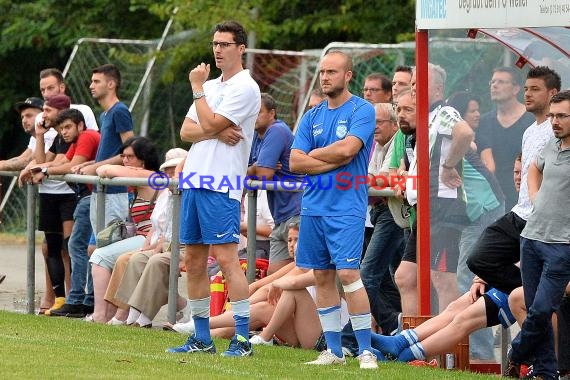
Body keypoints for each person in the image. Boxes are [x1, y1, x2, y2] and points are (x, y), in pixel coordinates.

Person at [167, 21, 261, 357]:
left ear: (241, 48)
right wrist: (215, 129)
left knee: (226, 259)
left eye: (224, 44)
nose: (217, 50)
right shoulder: (211, 87)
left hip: (222, 183)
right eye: (215, 44)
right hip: (194, 179)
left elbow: (204, 123)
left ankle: (242, 338)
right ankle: (202, 338)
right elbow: (186, 131)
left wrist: (197, 90)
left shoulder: (245, 87)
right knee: (193, 261)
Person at [290, 50, 377, 369]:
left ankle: (366, 350)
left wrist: (313, 158)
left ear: (348, 75)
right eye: (322, 72)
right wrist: (327, 160)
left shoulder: (362, 110)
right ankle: (334, 351)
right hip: (313, 207)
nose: (325, 77)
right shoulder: (312, 115)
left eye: (332, 72)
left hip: (346, 207)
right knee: (322, 276)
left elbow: (348, 149)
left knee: (349, 274)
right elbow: (294, 161)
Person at [467, 66, 561, 298]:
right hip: (521, 213)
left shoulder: (557, 129)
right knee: (479, 259)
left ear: (552, 93)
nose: (528, 94)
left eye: (535, 89)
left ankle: (545, 299)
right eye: (527, 89)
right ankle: (542, 295)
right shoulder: (530, 130)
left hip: (544, 218)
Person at [509, 90, 570, 380]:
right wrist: (535, 197)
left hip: (562, 245)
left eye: (562, 116)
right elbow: (534, 168)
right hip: (531, 240)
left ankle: (516, 352)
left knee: (542, 310)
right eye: (553, 116)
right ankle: (546, 373)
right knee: (536, 309)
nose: (554, 122)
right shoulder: (551, 144)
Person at [446, 91, 505, 361]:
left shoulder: (462, 141)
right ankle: (475, 345)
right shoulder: (456, 140)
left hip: (484, 211)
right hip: (479, 211)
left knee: (468, 278)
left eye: (478, 110)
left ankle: (480, 353)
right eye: (472, 110)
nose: (478, 114)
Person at [102, 148, 189, 327]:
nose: (172, 173)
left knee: (153, 262)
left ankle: (140, 316)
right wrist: (151, 244)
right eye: (168, 170)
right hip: (165, 244)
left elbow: (178, 230)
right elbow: (159, 225)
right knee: (135, 260)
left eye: (176, 168)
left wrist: (157, 245)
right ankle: (127, 313)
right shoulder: (166, 193)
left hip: (183, 248)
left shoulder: (188, 193)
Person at [30, 109, 100, 318]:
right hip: (87, 197)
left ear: (80, 125)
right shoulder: (75, 142)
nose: (64, 133)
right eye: (61, 129)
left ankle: (77, 299)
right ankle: (85, 300)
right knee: (83, 246)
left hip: (92, 197)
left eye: (68, 127)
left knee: (77, 245)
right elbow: (59, 163)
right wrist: (37, 167)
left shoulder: (87, 136)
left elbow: (71, 166)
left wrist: (45, 171)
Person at [89, 136, 160, 323]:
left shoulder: (150, 176)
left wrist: (127, 169)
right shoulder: (139, 178)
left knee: (100, 256)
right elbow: (101, 170)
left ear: (143, 160)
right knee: (115, 259)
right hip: (143, 237)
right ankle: (110, 314)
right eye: (123, 156)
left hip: (152, 238)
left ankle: (101, 315)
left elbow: (105, 169)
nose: (125, 161)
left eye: (130, 157)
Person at [74, 64, 135, 280]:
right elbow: (108, 153)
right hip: (101, 190)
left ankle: (110, 308)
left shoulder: (120, 111)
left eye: (96, 81)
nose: (91, 85)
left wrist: (97, 167)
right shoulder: (105, 114)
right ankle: (99, 306)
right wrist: (89, 165)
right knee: (96, 250)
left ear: (111, 83)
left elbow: (130, 152)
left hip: (115, 192)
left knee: (106, 251)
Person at [21, 94, 77, 315]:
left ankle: (75, 296)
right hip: (48, 196)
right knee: (51, 248)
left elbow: (55, 164)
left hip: (68, 195)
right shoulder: (53, 137)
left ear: (61, 111)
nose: (43, 115)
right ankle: (60, 298)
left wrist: (40, 169)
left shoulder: (71, 133)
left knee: (69, 246)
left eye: (47, 110)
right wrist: (40, 136)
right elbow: (43, 160)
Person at [372, 285, 518, 363]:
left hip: (518, 280)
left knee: (463, 321)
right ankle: (399, 342)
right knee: (454, 308)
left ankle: (403, 357)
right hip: (502, 274)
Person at [361, 103, 404, 336]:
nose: (374, 127)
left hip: (392, 213)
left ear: (394, 124)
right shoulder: (377, 145)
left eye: (379, 122)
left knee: (366, 275)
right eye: (371, 122)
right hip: (380, 213)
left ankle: (350, 336)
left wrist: (360, 180)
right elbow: (371, 179)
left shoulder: (396, 141)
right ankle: (396, 328)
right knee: (389, 280)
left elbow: (384, 180)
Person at [247, 93, 302, 274]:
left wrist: (255, 170)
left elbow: (262, 177)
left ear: (272, 113)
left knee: (303, 274)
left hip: (297, 212)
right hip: (280, 218)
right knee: (275, 278)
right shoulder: (256, 133)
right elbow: (242, 176)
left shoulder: (276, 130)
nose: (254, 116)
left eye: (259, 112)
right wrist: (255, 168)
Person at [476, 67, 535, 211]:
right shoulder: (483, 122)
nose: (494, 85)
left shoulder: (532, 121)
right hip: (492, 199)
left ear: (516, 89)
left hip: (524, 198)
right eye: (492, 81)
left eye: (501, 82)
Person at [0, 98, 44, 172]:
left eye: (29, 116)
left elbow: (25, 161)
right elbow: (22, 158)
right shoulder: (35, 136)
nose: (24, 120)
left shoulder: (49, 133)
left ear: (42, 116)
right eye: (22, 117)